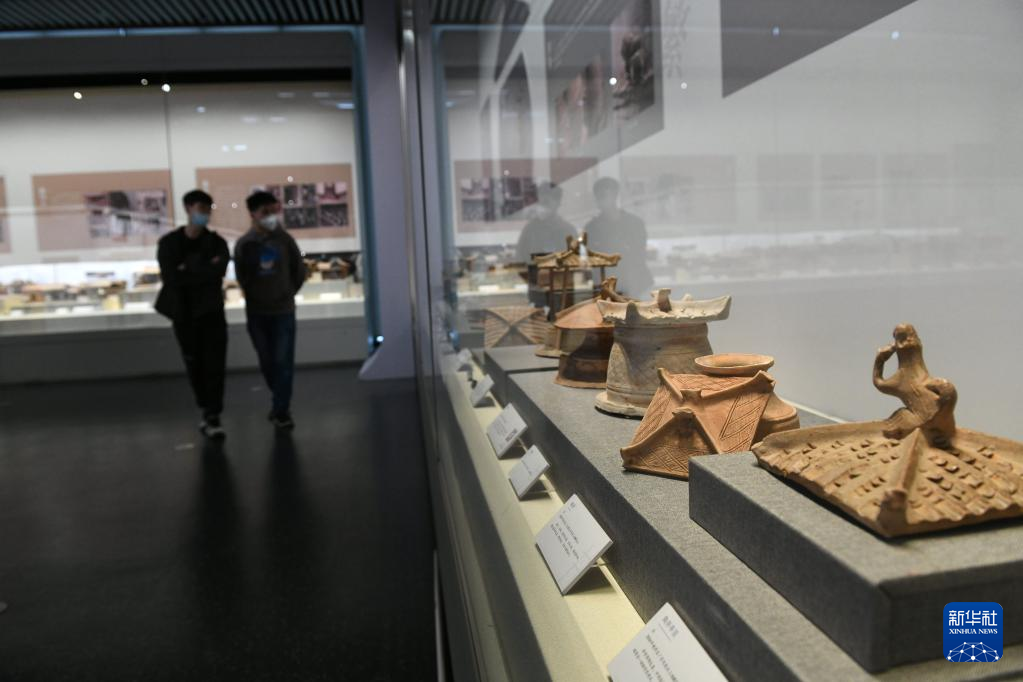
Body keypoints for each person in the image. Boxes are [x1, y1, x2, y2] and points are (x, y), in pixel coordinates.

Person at [155, 189, 230, 439]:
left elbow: (216, 273)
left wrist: (187, 269)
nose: (204, 214)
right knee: (194, 364)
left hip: (211, 313)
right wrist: (202, 269)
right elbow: (172, 278)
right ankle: (206, 408)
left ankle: (213, 414)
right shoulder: (169, 243)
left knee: (215, 365)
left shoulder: (217, 243)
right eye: (200, 209)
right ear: (188, 209)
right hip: (185, 315)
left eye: (208, 210)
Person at [234, 191, 305, 429]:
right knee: (267, 361)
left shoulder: (285, 240)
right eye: (265, 212)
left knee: (283, 361)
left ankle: (281, 410)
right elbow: (242, 276)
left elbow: (298, 270)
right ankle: (279, 401)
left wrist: (287, 293)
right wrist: (255, 295)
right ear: (253, 214)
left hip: (283, 311)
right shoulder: (245, 244)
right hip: (257, 312)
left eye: (273, 211)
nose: (271, 216)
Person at [583, 177, 653, 297]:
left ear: (615, 195)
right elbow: (590, 262)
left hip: (633, 285)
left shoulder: (634, 224)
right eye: (599, 196)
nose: (602, 200)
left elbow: (639, 255)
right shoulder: (591, 228)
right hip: (604, 287)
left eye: (604, 195)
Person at [515, 182, 576, 262]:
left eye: (546, 203)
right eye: (541, 202)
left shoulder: (567, 230)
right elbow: (520, 259)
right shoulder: (529, 230)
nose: (543, 208)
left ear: (558, 203)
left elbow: (575, 262)